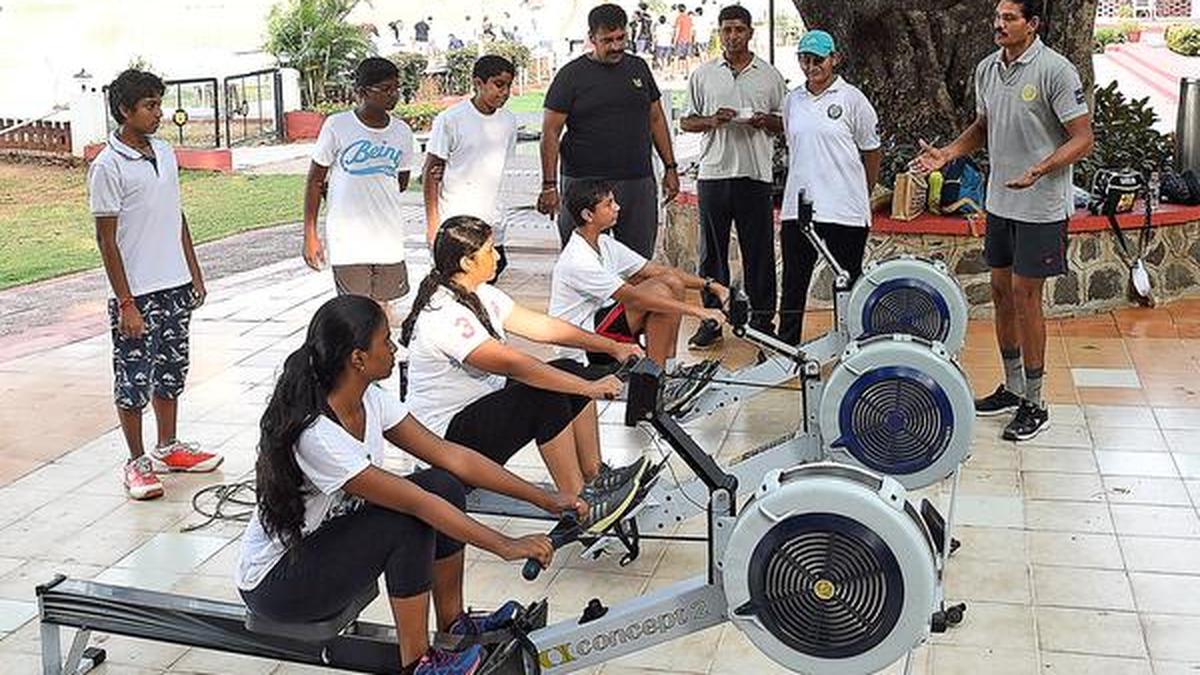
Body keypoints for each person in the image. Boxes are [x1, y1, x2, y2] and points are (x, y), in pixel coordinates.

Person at [235, 294, 578, 673]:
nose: (395, 347)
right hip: (277, 583)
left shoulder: (371, 399)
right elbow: (416, 504)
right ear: (358, 358)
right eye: (385, 340)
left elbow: (452, 456)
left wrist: (544, 500)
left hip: (319, 548)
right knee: (406, 519)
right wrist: (505, 545)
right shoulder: (317, 433)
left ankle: (453, 626)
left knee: (442, 483)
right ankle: (417, 665)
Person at [913, 0, 1092, 441]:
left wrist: (1042, 169)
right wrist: (950, 153)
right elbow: (982, 125)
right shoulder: (988, 69)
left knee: (1025, 294)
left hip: (1042, 205)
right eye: (997, 17)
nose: (999, 24)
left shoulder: (1055, 70)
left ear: (1031, 25)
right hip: (1001, 203)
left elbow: (1083, 138)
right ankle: (1012, 389)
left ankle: (1037, 401)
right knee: (1000, 291)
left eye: (1009, 18)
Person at [402, 217, 649, 534]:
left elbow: (545, 328)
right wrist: (591, 387)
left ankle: (594, 475)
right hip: (443, 446)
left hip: (472, 418)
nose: (497, 257)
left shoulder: (481, 293)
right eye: (490, 251)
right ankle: (579, 506)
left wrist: (612, 346)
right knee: (542, 395)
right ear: (466, 261)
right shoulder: (444, 312)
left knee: (569, 369)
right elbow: (515, 366)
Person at [89, 69, 223, 501]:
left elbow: (175, 214)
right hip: (137, 294)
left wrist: (194, 271)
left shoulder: (164, 152)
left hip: (175, 284)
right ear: (125, 111)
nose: (157, 113)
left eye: (158, 104)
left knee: (171, 369)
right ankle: (137, 460)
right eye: (149, 106)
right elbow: (106, 239)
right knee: (133, 377)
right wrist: (126, 302)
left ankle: (168, 447)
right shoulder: (107, 165)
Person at [550, 180, 726, 403]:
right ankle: (653, 384)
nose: (617, 207)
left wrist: (712, 286)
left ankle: (665, 373)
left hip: (601, 324)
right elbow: (634, 297)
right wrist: (700, 312)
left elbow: (657, 270)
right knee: (659, 294)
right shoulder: (578, 259)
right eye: (609, 204)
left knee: (670, 282)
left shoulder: (603, 242)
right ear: (588, 215)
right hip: (584, 347)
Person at [680, 4, 787, 348]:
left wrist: (763, 120)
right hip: (713, 174)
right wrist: (713, 120)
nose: (732, 36)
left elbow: (786, 123)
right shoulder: (703, 74)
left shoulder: (769, 75)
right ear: (719, 33)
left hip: (755, 175)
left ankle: (762, 322)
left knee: (759, 253)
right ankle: (711, 321)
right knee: (711, 253)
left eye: (739, 29)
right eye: (726, 30)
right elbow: (686, 121)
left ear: (750, 32)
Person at [538, 3, 680, 259]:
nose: (616, 46)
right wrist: (549, 185)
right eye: (607, 40)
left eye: (620, 38)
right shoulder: (570, 76)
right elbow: (550, 132)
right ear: (592, 38)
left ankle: (631, 301)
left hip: (636, 180)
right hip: (584, 183)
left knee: (638, 262)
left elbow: (656, 119)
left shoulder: (638, 68)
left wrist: (671, 167)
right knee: (582, 262)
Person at [778, 30, 882, 347]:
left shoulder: (853, 99)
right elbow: (793, 143)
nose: (811, 67)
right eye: (805, 60)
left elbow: (872, 151)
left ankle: (854, 346)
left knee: (847, 282)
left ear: (834, 59)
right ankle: (787, 345)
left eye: (818, 60)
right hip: (800, 207)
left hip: (845, 211)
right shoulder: (792, 99)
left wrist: (862, 194)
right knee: (794, 281)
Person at [302, 58, 415, 325]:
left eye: (397, 88)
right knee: (355, 314)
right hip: (348, 240)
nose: (394, 95)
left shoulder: (402, 131)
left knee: (383, 311)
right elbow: (315, 181)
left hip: (388, 236)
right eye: (386, 89)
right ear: (362, 92)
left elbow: (401, 180)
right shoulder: (337, 126)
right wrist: (310, 235)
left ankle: (381, 360)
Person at [422, 55, 519, 280]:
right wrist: (433, 224)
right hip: (457, 221)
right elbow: (430, 172)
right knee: (455, 284)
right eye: (498, 84)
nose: (504, 92)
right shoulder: (450, 119)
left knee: (490, 277)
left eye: (508, 86)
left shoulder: (509, 121)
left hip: (491, 220)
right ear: (478, 83)